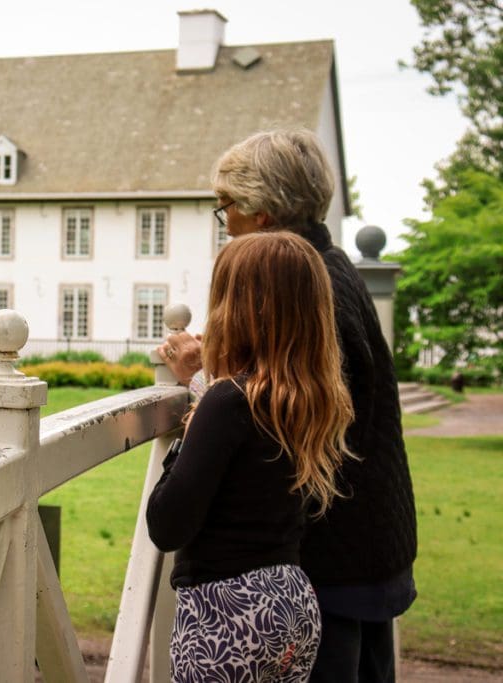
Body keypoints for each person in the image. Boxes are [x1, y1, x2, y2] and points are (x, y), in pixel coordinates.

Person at [160, 129, 417, 683]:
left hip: (334, 561)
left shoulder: (319, 283)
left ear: (263, 213)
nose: (224, 223)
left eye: (225, 207)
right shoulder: (331, 270)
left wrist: (209, 380)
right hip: (363, 549)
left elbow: (282, 417)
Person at [146, 231, 354, 681]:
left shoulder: (226, 402)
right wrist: (202, 383)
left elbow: (167, 525)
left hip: (228, 612)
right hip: (293, 601)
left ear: (235, 310)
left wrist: (187, 433)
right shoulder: (309, 401)